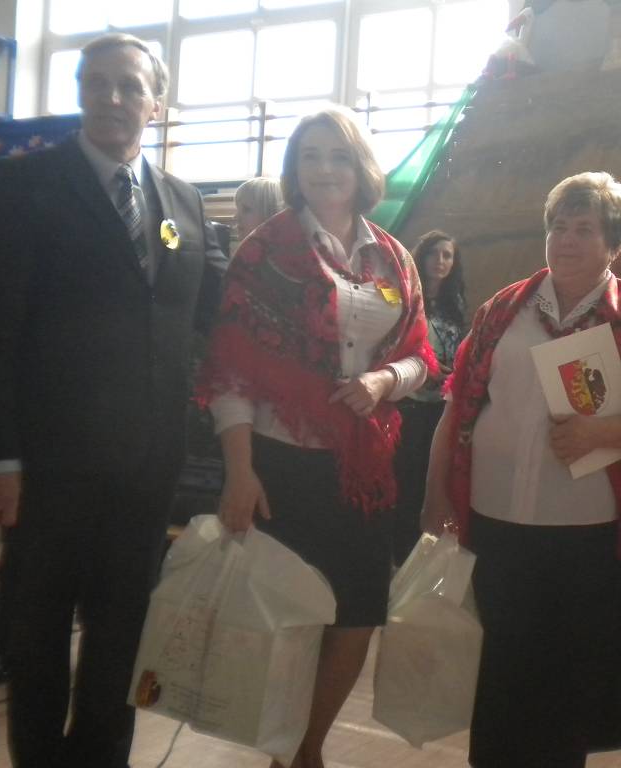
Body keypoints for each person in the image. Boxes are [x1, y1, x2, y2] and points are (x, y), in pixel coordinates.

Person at [0, 33, 227, 768]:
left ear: (156, 103)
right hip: (47, 465)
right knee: (36, 634)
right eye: (96, 83)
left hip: (146, 467)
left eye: (128, 85)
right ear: (80, 92)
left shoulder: (183, 202)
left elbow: (218, 310)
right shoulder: (25, 186)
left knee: (123, 633)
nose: (111, 97)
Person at [196, 106, 436, 768]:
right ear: (294, 170)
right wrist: (240, 471)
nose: (325, 169)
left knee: (358, 616)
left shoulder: (394, 258)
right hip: (281, 464)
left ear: (361, 168)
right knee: (290, 622)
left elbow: (422, 357)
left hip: (363, 467)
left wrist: (384, 380)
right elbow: (231, 373)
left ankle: (306, 747)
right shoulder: (262, 253)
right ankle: (289, 755)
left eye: (338, 155)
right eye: (310, 156)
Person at [423, 171, 621, 768]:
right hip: (495, 520)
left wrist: (598, 433)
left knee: (566, 683)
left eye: (584, 229)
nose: (565, 240)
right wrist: (434, 496)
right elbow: (457, 406)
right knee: (501, 671)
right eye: (558, 227)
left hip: (586, 529)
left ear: (614, 244)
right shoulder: (502, 310)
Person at [392, 230, 467, 565]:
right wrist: (427, 368)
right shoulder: (403, 294)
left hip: (439, 404)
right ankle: (399, 551)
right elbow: (393, 342)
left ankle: (421, 553)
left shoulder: (455, 304)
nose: (440, 261)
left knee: (430, 474)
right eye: (434, 253)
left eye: (447, 255)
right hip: (408, 398)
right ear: (421, 257)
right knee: (405, 475)